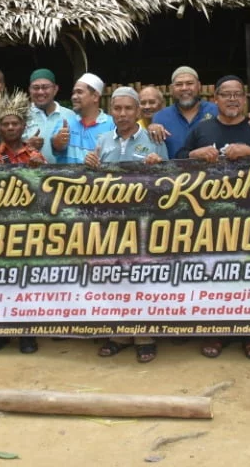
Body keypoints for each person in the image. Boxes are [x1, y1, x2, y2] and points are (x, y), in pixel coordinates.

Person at [180, 75, 250, 361]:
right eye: (226, 94)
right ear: (215, 98)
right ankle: (215, 332)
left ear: (244, 99)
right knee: (215, 275)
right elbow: (178, 161)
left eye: (237, 95)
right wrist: (195, 153)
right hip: (210, 217)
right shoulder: (202, 129)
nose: (232, 99)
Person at [87, 87, 169, 363]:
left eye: (128, 109)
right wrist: (90, 165)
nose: (122, 114)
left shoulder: (154, 138)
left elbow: (170, 182)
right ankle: (119, 335)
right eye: (117, 109)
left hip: (144, 223)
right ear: (111, 111)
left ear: (138, 111)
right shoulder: (101, 141)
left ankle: (145, 336)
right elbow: (90, 184)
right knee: (115, 279)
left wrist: (158, 165)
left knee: (143, 278)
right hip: (110, 224)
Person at [0, 90, 45, 354]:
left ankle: (27, 334)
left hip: (28, 231)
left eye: (15, 123)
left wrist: (41, 171)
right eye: (6, 123)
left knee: (26, 283)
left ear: (23, 126)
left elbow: (49, 193)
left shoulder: (36, 158)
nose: (11, 127)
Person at [149, 66, 250, 157]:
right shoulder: (160, 117)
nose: (184, 88)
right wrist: (150, 128)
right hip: (173, 180)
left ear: (199, 86)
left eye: (189, 83)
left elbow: (238, 119)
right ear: (171, 89)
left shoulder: (217, 110)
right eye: (179, 84)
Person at [53, 73, 114, 164]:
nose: (73, 97)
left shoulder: (112, 126)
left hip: (99, 178)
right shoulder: (65, 123)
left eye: (79, 92)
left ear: (95, 97)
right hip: (67, 178)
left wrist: (97, 163)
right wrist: (57, 142)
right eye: (73, 93)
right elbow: (56, 148)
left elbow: (115, 161)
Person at [24, 68, 75, 164]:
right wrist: (26, 146)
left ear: (55, 89)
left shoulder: (70, 115)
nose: (40, 92)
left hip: (64, 175)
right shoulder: (22, 116)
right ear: (29, 90)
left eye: (45, 87)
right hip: (29, 175)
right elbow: (8, 149)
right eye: (35, 88)